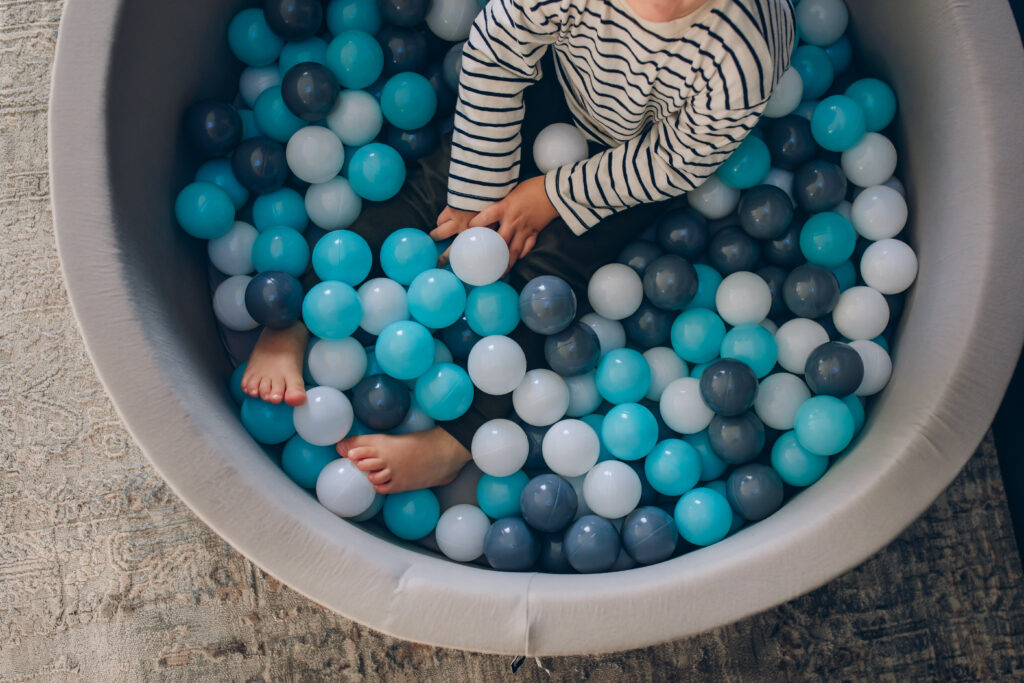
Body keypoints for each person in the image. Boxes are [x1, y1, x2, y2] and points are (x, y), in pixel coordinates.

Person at [241, 0, 796, 494]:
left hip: (639, 161)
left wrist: (555, 194)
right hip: (550, 92)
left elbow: (677, 161)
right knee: (427, 202)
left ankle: (459, 439)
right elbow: (495, 51)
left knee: (548, 289)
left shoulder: (743, 49)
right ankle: (299, 315)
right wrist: (475, 195)